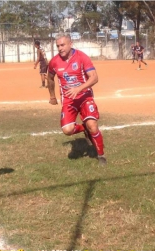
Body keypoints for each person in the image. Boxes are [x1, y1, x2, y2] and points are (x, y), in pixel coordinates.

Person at [47, 32, 106, 165]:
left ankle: (101, 155)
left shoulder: (81, 57)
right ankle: (84, 129)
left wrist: (79, 89)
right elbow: (50, 77)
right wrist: (52, 95)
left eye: (62, 45)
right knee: (67, 130)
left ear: (70, 44)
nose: (60, 48)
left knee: (93, 126)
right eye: (58, 46)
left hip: (85, 97)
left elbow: (94, 77)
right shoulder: (54, 61)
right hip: (68, 100)